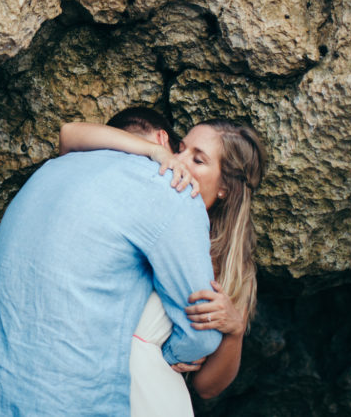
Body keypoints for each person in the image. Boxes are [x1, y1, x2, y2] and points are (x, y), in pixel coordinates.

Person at [0, 108, 222, 416]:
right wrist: (170, 355)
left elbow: (69, 133)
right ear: (163, 138)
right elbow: (201, 334)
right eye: (180, 151)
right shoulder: (170, 189)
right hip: (75, 403)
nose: (181, 164)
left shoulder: (47, 173)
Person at [60, 113, 266, 411]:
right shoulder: (144, 200)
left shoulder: (235, 269)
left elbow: (207, 388)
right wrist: (154, 151)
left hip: (156, 399)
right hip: (93, 383)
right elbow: (70, 134)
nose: (180, 161)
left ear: (226, 187)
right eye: (181, 148)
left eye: (198, 160)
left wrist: (234, 331)